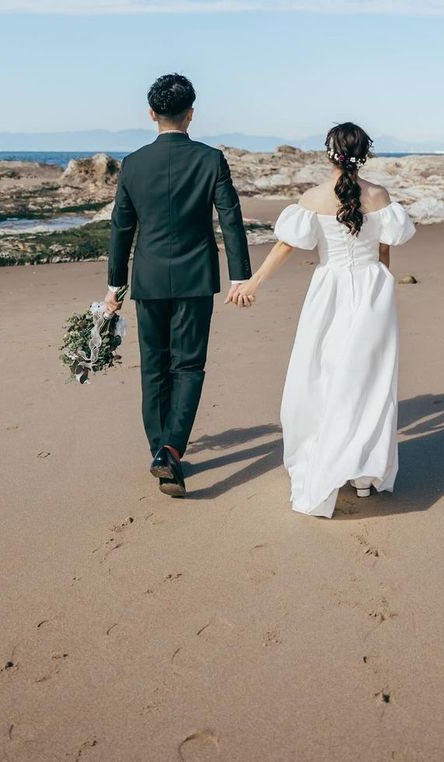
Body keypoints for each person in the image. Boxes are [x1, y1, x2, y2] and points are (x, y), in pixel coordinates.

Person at [227, 122, 416, 518]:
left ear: (329, 154)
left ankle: (331, 460)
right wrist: (384, 289)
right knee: (369, 380)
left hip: (329, 291)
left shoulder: (313, 197)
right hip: (372, 291)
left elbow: (286, 245)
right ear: (364, 154)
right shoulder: (379, 195)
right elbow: (384, 250)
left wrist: (253, 283)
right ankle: (363, 476)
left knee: (322, 375)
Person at [104, 74, 252, 498]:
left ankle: (160, 451)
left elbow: (121, 228)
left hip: (147, 279)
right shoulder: (210, 160)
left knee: (153, 367)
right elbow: (230, 218)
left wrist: (115, 284)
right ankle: (170, 449)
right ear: (191, 114)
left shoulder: (133, 164)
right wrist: (240, 274)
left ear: (151, 113)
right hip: (195, 279)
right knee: (187, 366)